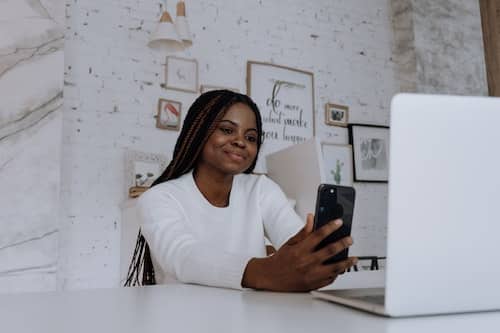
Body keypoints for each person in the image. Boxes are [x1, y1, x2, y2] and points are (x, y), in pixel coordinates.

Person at [124, 90, 357, 291]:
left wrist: (308, 250)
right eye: (227, 130)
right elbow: (183, 257)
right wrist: (266, 271)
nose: (240, 141)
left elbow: (290, 234)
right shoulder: (159, 198)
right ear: (198, 133)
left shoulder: (260, 189)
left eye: (251, 137)